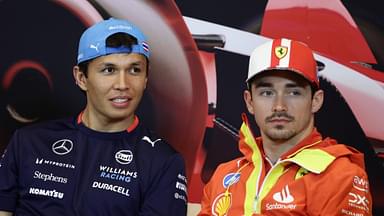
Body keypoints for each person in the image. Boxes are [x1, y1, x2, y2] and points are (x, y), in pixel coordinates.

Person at [0, 18, 188, 216]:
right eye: (109, 70)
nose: (123, 84)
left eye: (135, 70)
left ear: (146, 79)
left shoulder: (163, 161)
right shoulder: (28, 142)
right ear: (81, 78)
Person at [198, 38, 372, 215]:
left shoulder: (341, 176)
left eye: (293, 92)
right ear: (250, 102)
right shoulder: (223, 175)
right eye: (267, 93)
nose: (279, 106)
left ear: (315, 101)